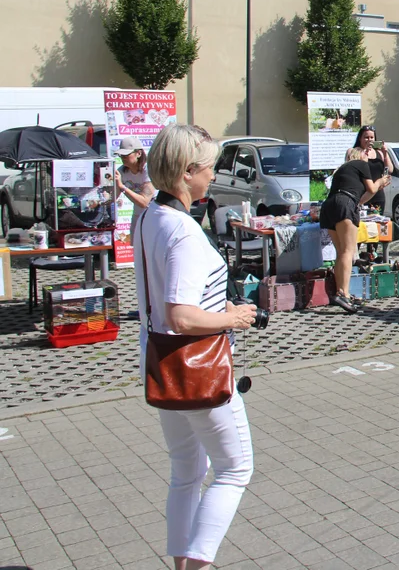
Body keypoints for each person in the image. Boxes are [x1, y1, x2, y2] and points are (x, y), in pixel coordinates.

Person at [134, 124, 259, 569]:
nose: (213, 176)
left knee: (187, 472)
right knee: (234, 469)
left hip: (162, 362)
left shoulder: (151, 215)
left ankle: (182, 564)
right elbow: (181, 315)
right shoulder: (183, 231)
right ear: (187, 172)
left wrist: (215, 302)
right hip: (197, 367)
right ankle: (198, 566)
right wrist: (233, 316)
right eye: (209, 168)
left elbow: (169, 294)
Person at [319, 147, 378, 313]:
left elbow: (359, 200)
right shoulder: (360, 164)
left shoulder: (343, 170)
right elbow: (371, 189)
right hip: (345, 204)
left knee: (341, 253)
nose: (369, 155)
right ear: (359, 156)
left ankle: (342, 292)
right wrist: (380, 183)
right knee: (348, 251)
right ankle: (343, 294)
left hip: (329, 206)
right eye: (366, 153)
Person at [352, 125, 394, 260]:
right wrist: (363, 154)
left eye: (371, 137)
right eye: (366, 137)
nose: (369, 140)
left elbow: (390, 169)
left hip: (378, 193)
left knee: (375, 226)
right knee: (358, 224)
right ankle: (355, 254)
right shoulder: (354, 152)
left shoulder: (379, 153)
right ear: (360, 138)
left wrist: (385, 153)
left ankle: (372, 253)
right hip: (362, 193)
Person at [115, 136, 155, 223]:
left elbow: (144, 202)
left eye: (126, 154)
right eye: (121, 155)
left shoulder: (149, 170)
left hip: (154, 216)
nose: (122, 157)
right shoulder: (121, 171)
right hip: (138, 215)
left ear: (139, 153)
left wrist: (122, 187)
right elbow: (113, 197)